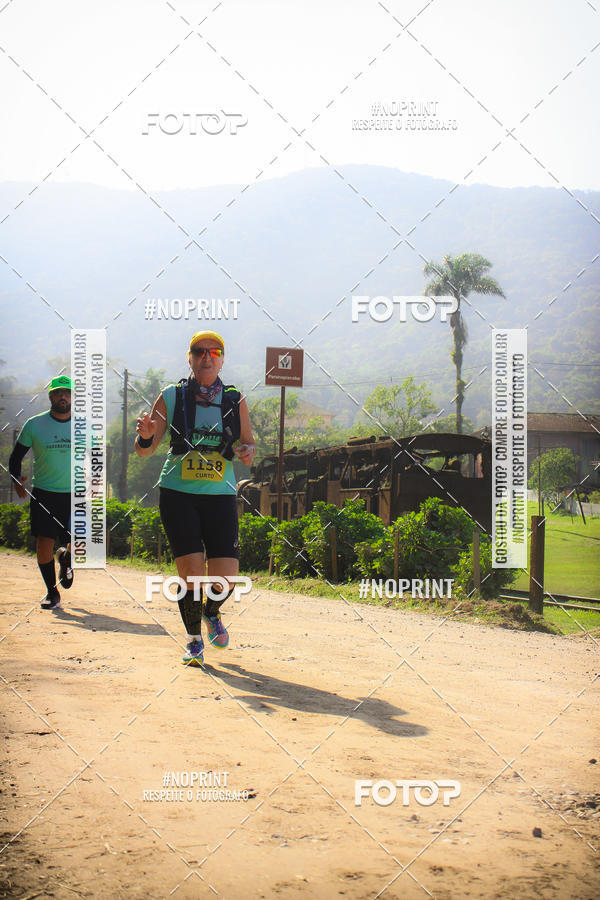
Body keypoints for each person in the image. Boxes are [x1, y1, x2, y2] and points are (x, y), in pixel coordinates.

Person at [135, 331, 255, 666]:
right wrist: (145, 437)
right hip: (178, 494)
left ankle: (211, 612)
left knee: (226, 579)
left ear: (222, 360)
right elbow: (145, 450)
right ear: (189, 358)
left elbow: (247, 444)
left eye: (214, 352)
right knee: (191, 573)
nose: (206, 357)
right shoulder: (172, 396)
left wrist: (247, 452)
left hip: (220, 495)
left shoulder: (234, 399)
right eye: (199, 351)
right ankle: (193, 641)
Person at [8, 375, 74, 609]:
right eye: (58, 392)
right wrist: (16, 480)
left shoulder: (83, 426)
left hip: (75, 494)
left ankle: (65, 558)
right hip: (44, 493)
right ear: (51, 396)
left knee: (79, 543)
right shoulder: (34, 425)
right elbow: (15, 457)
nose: (63, 396)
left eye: (67, 392)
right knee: (44, 543)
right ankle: (52, 593)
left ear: (71, 397)